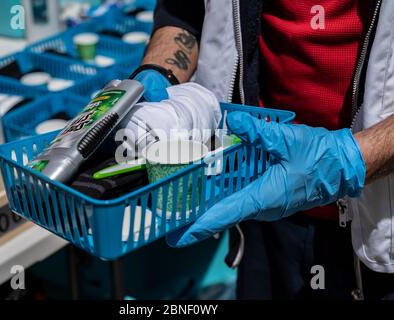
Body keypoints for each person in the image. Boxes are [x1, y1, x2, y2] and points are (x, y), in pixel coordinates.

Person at [130, 0, 394, 299]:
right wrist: (159, 74)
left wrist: (351, 159)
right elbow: (183, 13)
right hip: (260, 199)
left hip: (383, 223)